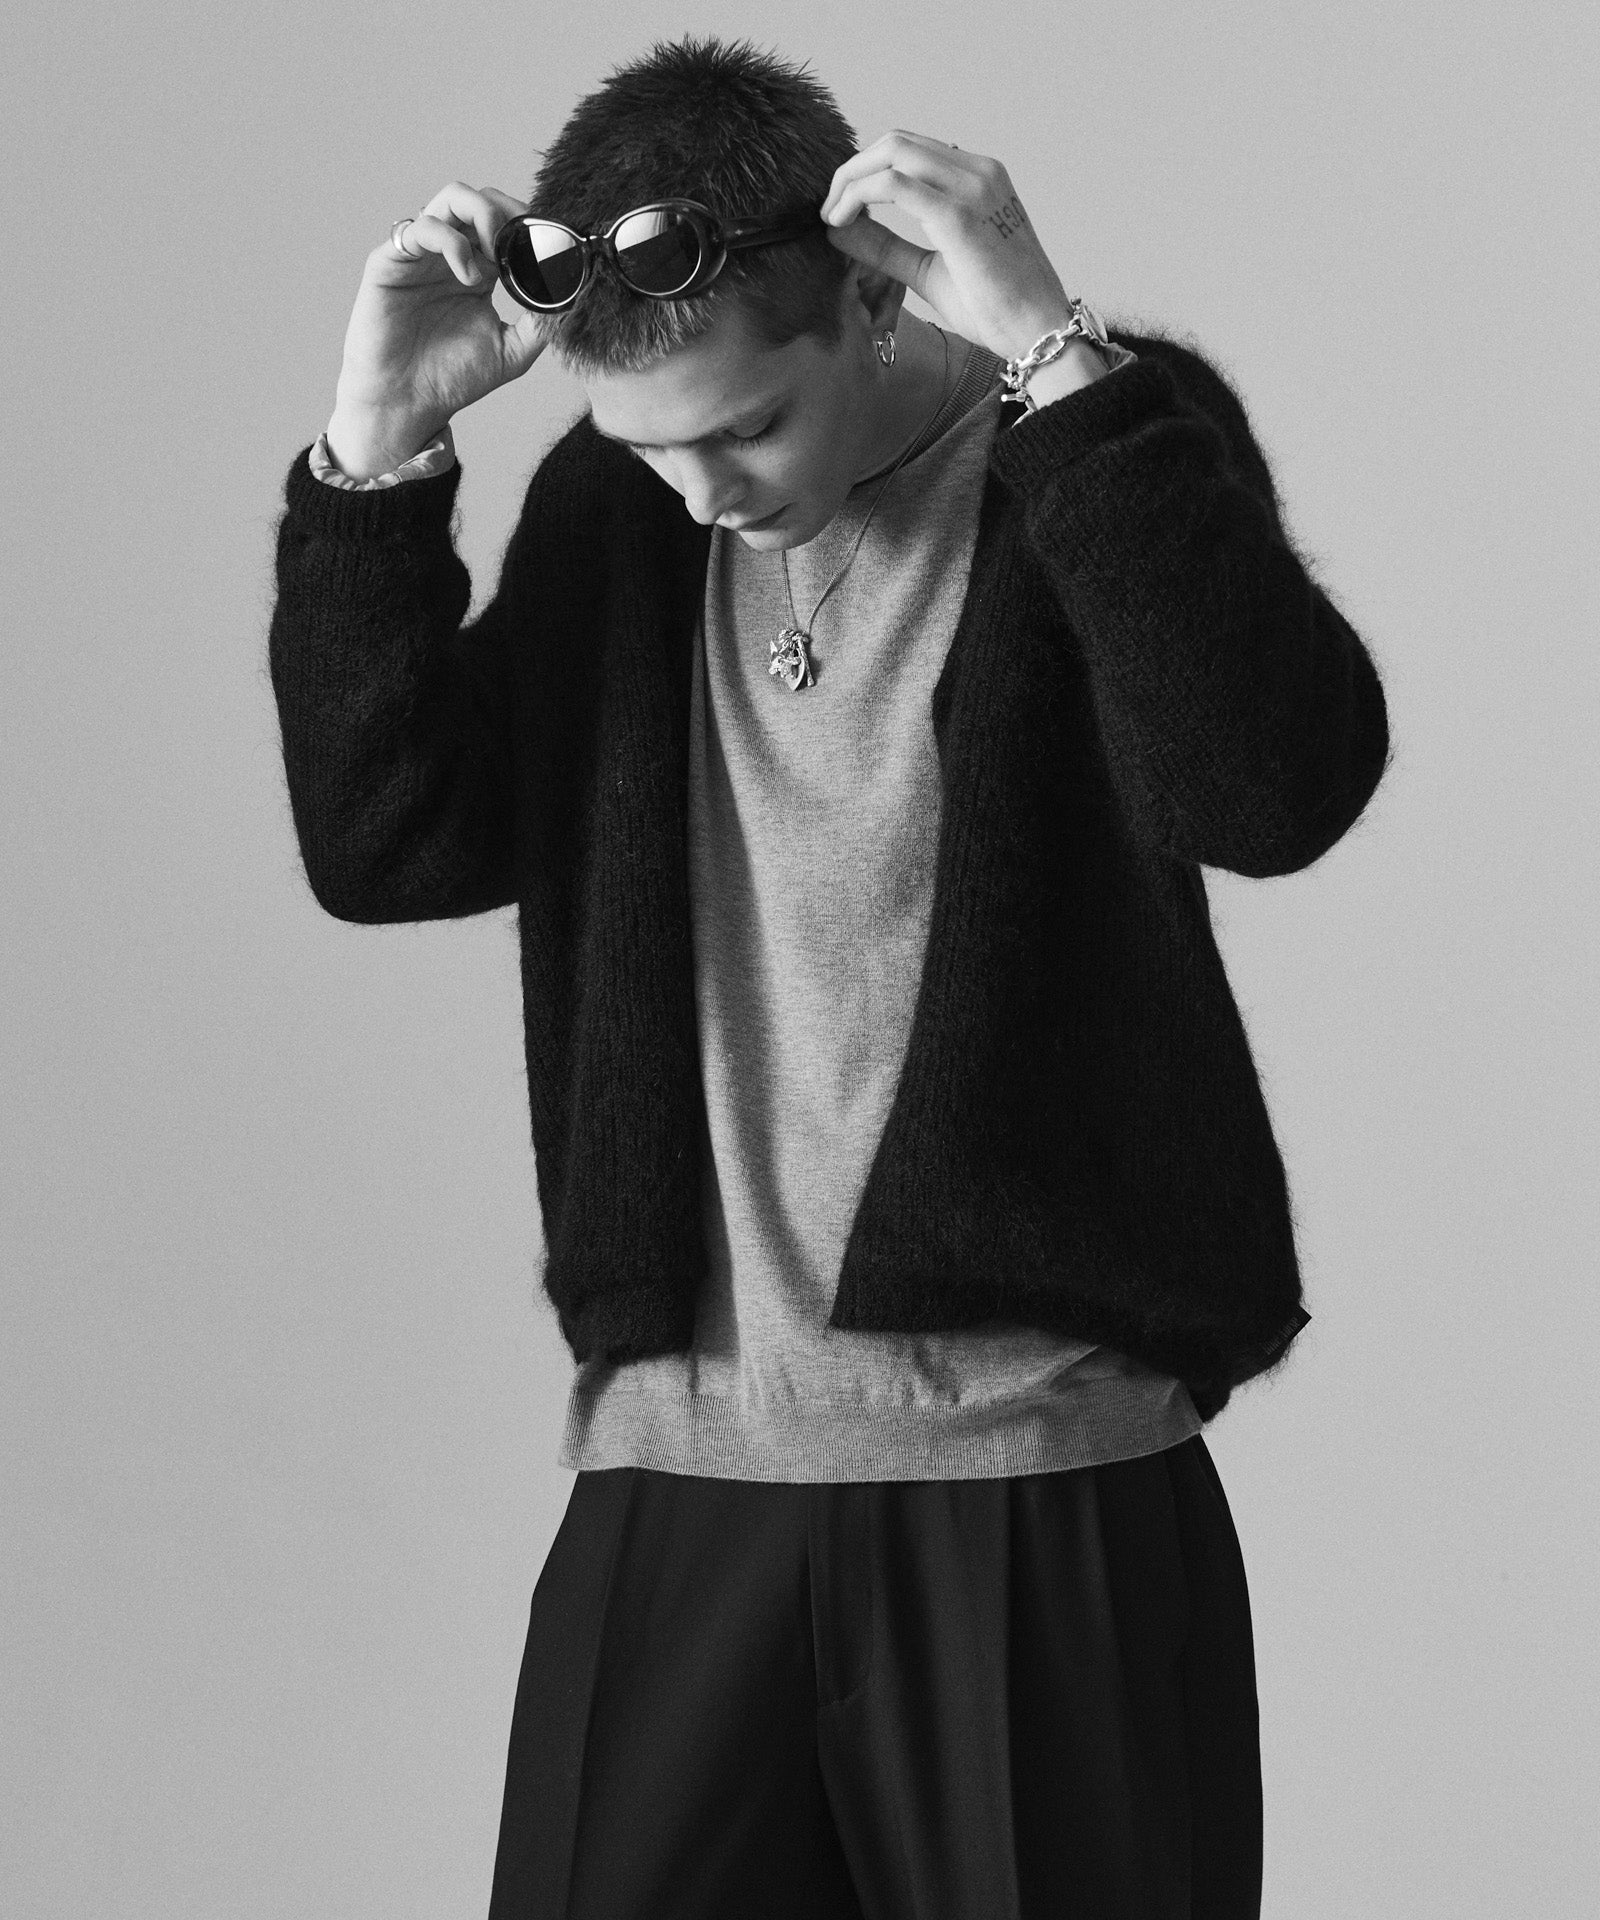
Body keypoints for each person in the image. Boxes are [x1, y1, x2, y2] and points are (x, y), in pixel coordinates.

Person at [268, 34, 1390, 1920]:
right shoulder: (615, 517)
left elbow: (1270, 789)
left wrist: (1058, 356)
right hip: (677, 1476)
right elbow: (390, 846)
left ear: (872, 300)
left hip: (1036, 1476)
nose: (702, 492)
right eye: (654, 446)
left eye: (746, 430)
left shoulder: (1090, 448)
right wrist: (377, 452)